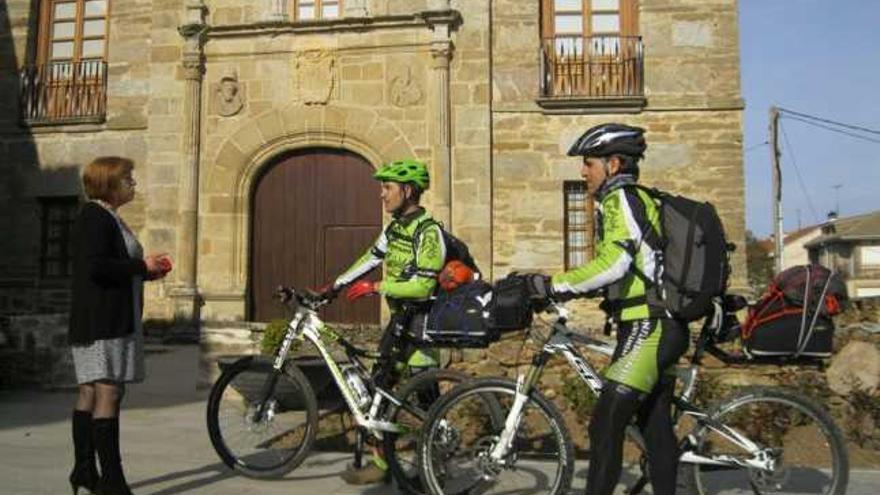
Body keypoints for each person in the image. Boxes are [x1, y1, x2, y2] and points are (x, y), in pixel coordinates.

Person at [521, 123, 689, 495]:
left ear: (613, 164)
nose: (583, 172)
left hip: (650, 327)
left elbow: (616, 263)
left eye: (589, 164)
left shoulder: (622, 199)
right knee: (655, 425)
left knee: (604, 427)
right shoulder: (634, 199)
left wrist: (553, 284)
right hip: (654, 325)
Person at [308, 159, 444, 485]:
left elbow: (425, 285)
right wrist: (335, 286)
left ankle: (434, 466)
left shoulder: (428, 232)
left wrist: (378, 287)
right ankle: (381, 465)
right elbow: (371, 257)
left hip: (422, 324)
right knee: (379, 392)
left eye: (388, 188)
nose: (382, 195)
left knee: (426, 398)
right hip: (399, 323)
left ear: (407, 191)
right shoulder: (395, 229)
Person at [67, 157, 171, 495]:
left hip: (102, 317)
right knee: (108, 392)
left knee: (91, 391)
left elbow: (109, 266)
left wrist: (144, 270)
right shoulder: (95, 216)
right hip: (103, 321)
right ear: (110, 183)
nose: (134, 183)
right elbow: (96, 267)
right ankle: (111, 481)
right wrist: (141, 264)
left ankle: (84, 470)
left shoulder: (106, 217)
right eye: (128, 178)